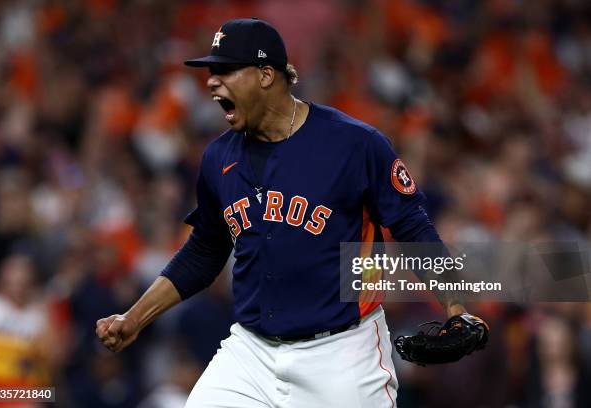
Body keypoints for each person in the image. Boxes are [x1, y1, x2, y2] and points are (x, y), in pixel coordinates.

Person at [96, 18, 471, 407]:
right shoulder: (218, 157)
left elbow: (413, 228)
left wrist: (456, 307)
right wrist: (135, 317)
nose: (211, 82)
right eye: (211, 72)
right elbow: (205, 250)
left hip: (342, 353)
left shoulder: (354, 144)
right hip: (251, 351)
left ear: (265, 75)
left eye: (225, 71)